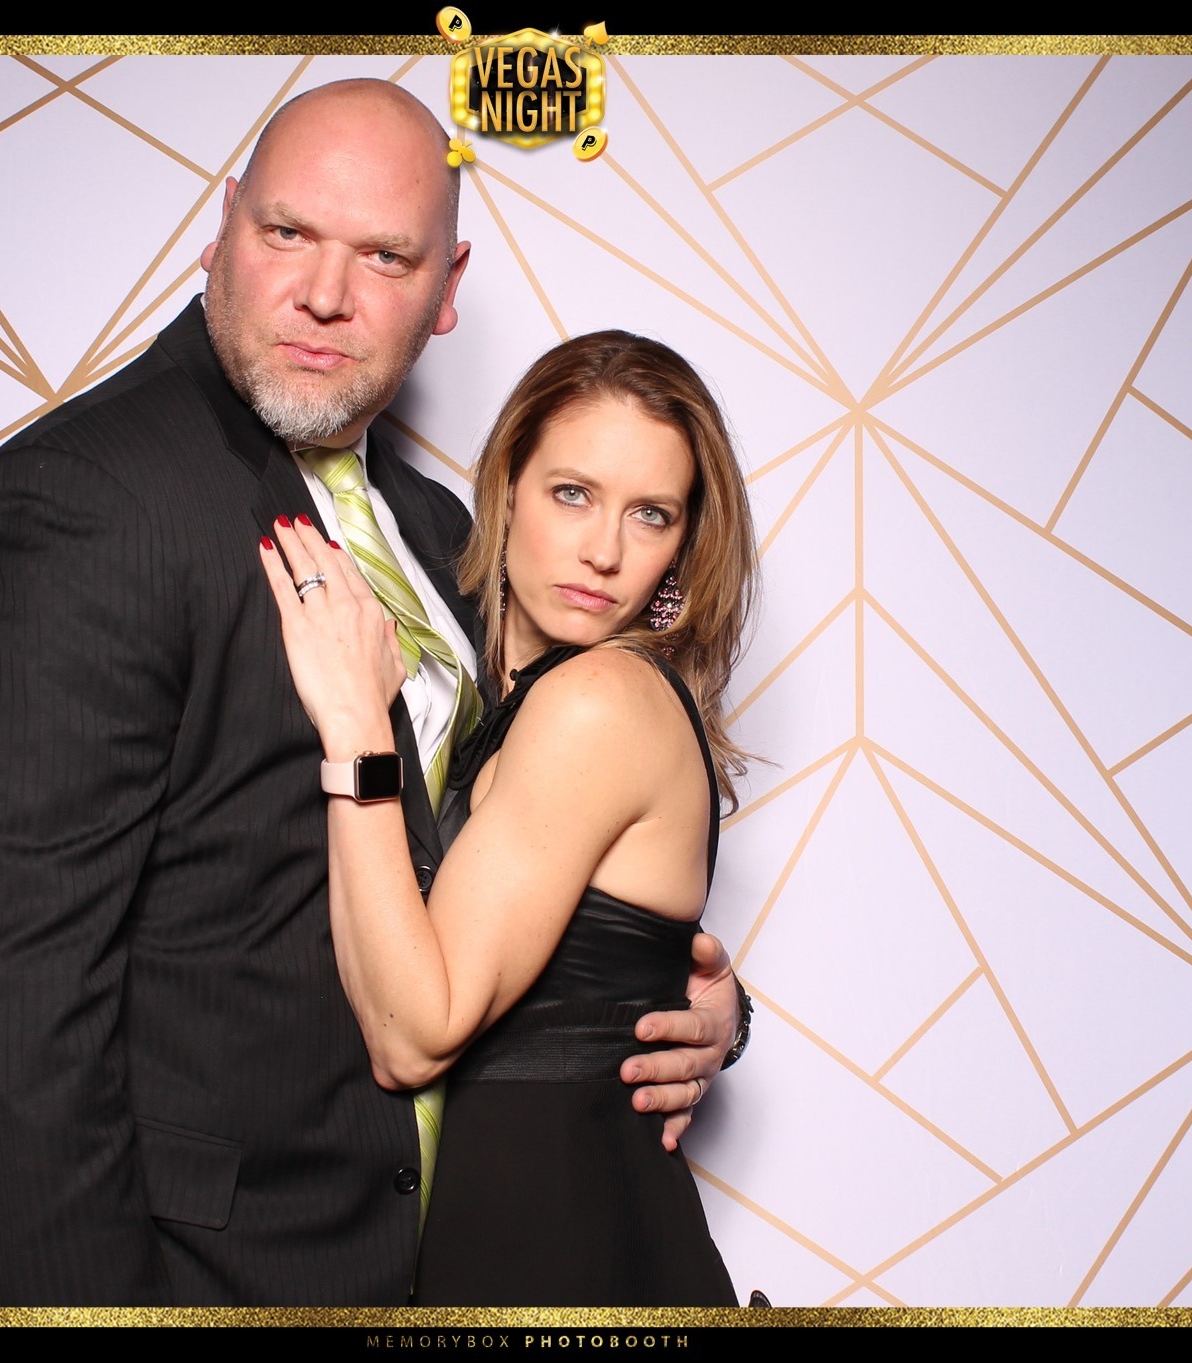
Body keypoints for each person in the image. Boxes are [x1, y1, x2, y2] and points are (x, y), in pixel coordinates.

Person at [0, 79, 747, 1306]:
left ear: (445, 288)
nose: (325, 293)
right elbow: (8, 1032)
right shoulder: (76, 506)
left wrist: (676, 1001)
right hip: (180, 1274)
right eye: (287, 231)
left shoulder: (447, 539)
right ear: (222, 227)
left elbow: (515, 866)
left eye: (385, 255)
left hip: (414, 1260)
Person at [259, 330, 757, 1304]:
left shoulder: (598, 700)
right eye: (573, 493)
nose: (603, 551)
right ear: (508, 486)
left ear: (683, 545)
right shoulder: (502, 685)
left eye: (650, 513)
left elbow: (414, 1032)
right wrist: (716, 1009)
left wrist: (356, 726)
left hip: (564, 1252)